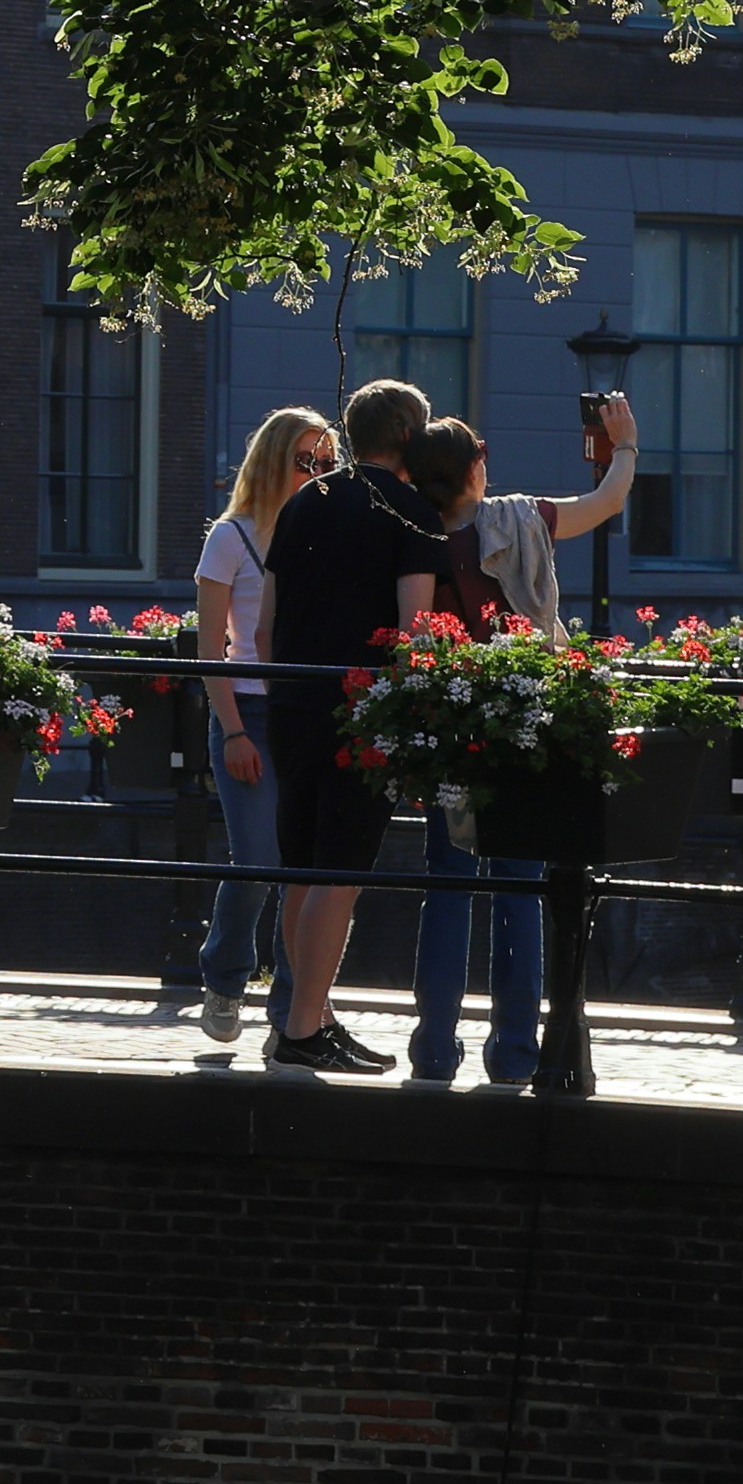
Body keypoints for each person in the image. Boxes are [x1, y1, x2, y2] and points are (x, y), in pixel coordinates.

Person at [395, 398, 633, 1085]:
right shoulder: (523, 518)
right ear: (476, 466)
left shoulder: (416, 539)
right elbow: (607, 501)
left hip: (450, 724)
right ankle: (515, 1053)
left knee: (446, 882)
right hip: (525, 721)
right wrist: (626, 444)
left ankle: (434, 1049)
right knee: (520, 888)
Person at [251, 377, 455, 1073]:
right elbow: (416, 633)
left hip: (292, 704)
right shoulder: (413, 514)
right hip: (361, 711)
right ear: (407, 437)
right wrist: (413, 725)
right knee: (340, 874)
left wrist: (286, 690)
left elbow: (262, 625)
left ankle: (308, 1012)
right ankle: (304, 1028)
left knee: (302, 871)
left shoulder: (308, 498)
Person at [183, 407, 338, 1043]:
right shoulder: (231, 536)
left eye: (329, 463)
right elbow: (210, 645)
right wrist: (234, 730)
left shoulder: (325, 533)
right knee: (257, 856)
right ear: (275, 460)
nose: (320, 473)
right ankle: (224, 977)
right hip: (248, 708)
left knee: (304, 863)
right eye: (308, 461)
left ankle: (290, 1008)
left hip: (304, 708)